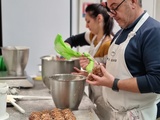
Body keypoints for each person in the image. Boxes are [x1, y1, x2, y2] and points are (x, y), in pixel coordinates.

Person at [79, 0, 160, 119]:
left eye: (115, 7)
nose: (112, 14)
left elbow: (157, 80)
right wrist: (97, 69)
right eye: (109, 10)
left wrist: (114, 83)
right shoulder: (120, 34)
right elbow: (121, 69)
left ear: (133, 2)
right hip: (116, 114)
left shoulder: (152, 31)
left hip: (138, 115)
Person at [65, 3, 114, 119]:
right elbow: (74, 39)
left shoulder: (109, 44)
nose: (86, 26)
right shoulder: (94, 37)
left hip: (107, 100)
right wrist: (66, 47)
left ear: (99, 18)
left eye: (88, 21)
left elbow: (111, 73)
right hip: (96, 95)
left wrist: (91, 71)